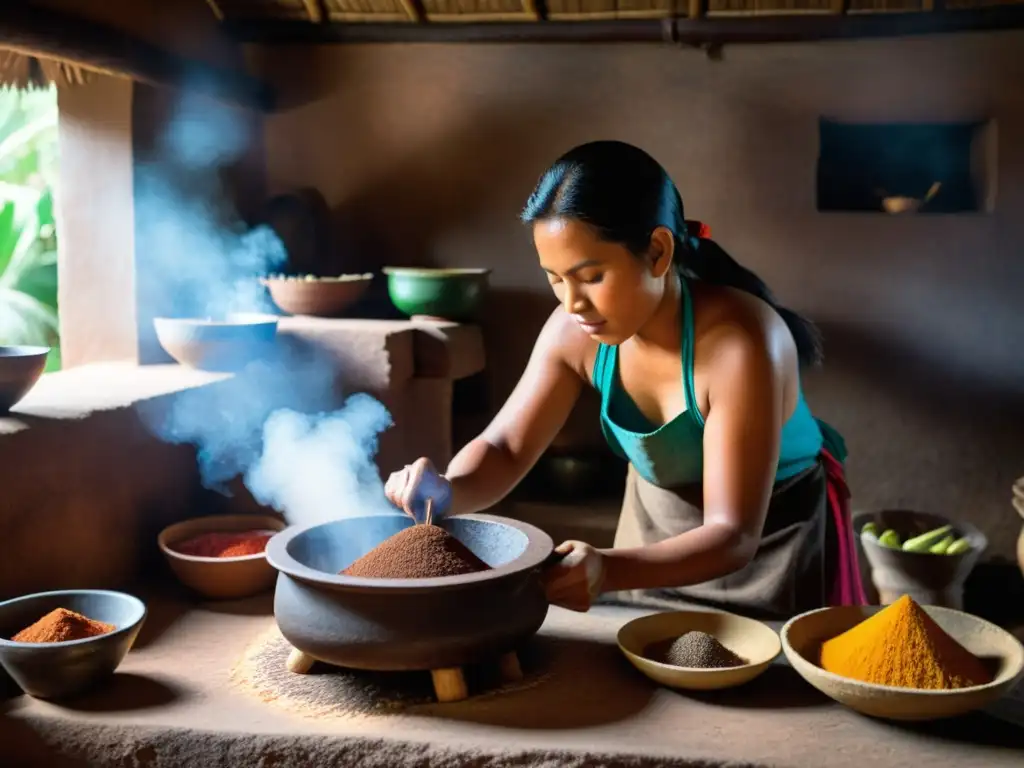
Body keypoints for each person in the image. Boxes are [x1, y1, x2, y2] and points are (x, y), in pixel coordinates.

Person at [384, 140, 866, 619]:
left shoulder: (742, 345)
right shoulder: (573, 332)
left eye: (591, 276)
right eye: (555, 278)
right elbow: (507, 447)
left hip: (771, 547)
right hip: (654, 535)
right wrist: (450, 490)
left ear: (657, 252)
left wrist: (607, 571)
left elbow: (732, 534)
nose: (572, 302)